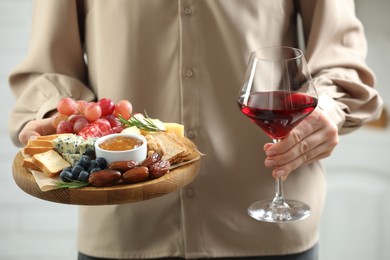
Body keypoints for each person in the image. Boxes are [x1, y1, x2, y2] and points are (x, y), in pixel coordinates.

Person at [8, 1, 383, 260]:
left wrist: (329, 111)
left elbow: (340, 60)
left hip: (269, 228)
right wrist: (57, 117)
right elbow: (50, 68)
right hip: (126, 231)